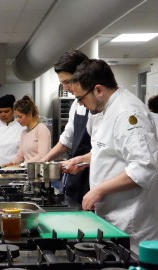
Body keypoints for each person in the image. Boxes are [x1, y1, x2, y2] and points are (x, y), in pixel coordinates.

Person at [70, 59, 158, 252]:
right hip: (113, 216)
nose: (81, 104)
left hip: (131, 221)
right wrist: (83, 160)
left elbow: (144, 167)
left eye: (81, 98)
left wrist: (98, 190)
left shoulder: (127, 113)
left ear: (99, 90)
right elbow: (109, 152)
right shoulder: (106, 110)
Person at [41, 50, 91, 203]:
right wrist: (45, 161)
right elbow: (67, 139)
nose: (65, 87)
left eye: (67, 82)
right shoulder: (76, 104)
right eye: (62, 83)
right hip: (77, 173)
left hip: (94, 174)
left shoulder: (104, 107)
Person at [3, 95, 51, 166]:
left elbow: (42, 156)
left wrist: (23, 165)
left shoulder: (41, 129)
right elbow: (20, 155)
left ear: (29, 114)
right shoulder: (24, 133)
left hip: (40, 172)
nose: (17, 120)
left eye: (20, 116)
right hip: (28, 171)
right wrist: (10, 164)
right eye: (16, 117)